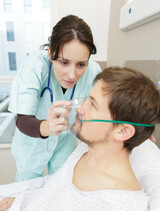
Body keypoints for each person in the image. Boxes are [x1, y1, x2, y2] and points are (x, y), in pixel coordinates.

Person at [0, 66, 160, 211]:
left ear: (122, 132)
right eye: (87, 98)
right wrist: (24, 203)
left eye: (92, 104)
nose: (79, 108)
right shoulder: (86, 149)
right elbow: (56, 191)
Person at [8, 15, 101, 181]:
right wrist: (48, 127)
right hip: (32, 142)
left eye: (81, 64)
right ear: (50, 53)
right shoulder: (35, 66)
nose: (72, 75)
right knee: (26, 186)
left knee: (60, 184)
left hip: (66, 141)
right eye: (64, 62)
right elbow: (22, 120)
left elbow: (107, 105)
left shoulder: (93, 72)